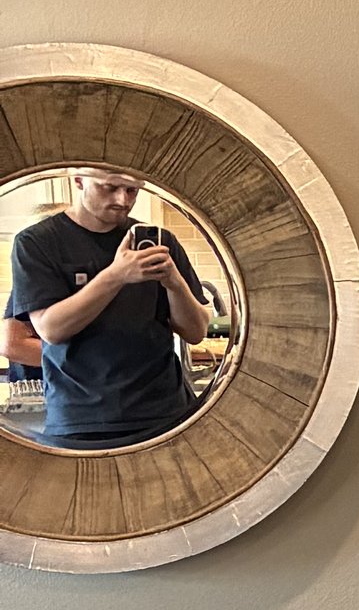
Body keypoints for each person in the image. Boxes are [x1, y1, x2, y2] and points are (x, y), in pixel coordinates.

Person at [7, 168, 208, 448]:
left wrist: (175, 283)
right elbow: (51, 329)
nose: (122, 200)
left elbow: (196, 332)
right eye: (110, 187)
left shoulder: (161, 242)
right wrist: (116, 276)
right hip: (80, 420)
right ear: (77, 179)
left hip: (166, 413)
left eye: (132, 190)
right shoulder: (36, 243)